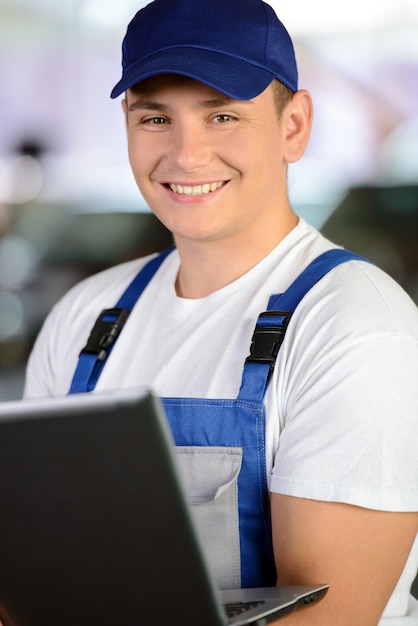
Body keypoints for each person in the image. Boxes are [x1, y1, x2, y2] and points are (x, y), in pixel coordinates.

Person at [22, 0, 418, 624]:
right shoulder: (86, 318)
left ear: (294, 126)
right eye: (156, 118)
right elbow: (34, 571)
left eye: (223, 114)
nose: (186, 154)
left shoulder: (355, 328)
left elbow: (325, 618)